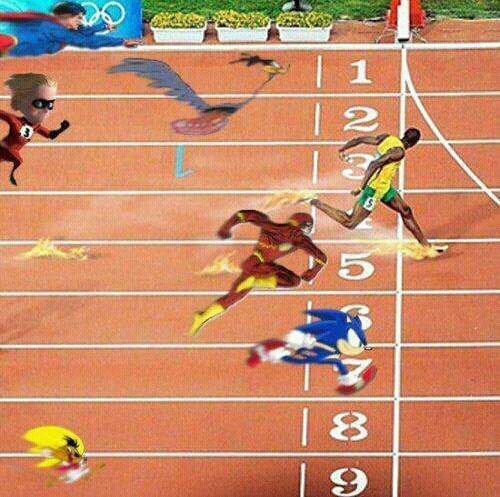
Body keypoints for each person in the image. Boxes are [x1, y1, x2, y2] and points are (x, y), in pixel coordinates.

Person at [189, 210, 327, 336]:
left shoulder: (268, 224)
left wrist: (225, 229)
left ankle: (202, 316)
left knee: (231, 298)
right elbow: (321, 258)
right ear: (304, 226)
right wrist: (311, 273)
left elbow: (242, 215)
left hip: (252, 264)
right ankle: (256, 281)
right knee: (294, 281)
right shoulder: (299, 238)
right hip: (263, 268)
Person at [312, 128, 441, 249]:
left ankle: (426, 246)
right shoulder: (399, 152)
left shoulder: (387, 138)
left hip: (385, 187)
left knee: (406, 211)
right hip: (374, 190)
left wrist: (343, 149)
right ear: (414, 144)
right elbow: (374, 164)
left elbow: (360, 139)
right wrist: (361, 187)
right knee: (350, 222)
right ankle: (315, 202)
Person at [247, 308, 377, 394]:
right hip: (318, 346)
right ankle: (266, 353)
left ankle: (266, 353)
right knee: (299, 353)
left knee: (298, 352)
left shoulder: (344, 323)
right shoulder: (349, 330)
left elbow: (326, 327)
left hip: (319, 346)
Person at [0, 1, 140, 57]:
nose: (80, 21)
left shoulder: (57, 25)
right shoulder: (57, 31)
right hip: (10, 46)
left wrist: (104, 26)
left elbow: (84, 32)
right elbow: (88, 41)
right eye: (78, 18)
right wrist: (121, 41)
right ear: (66, 16)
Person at [0, 73, 70, 185]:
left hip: (10, 153)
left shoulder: (36, 127)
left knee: (17, 160)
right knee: (19, 160)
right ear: (19, 102)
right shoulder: (14, 121)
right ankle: (12, 175)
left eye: (50, 105)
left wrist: (62, 129)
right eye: (39, 103)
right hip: (5, 149)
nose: (47, 110)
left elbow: (50, 135)